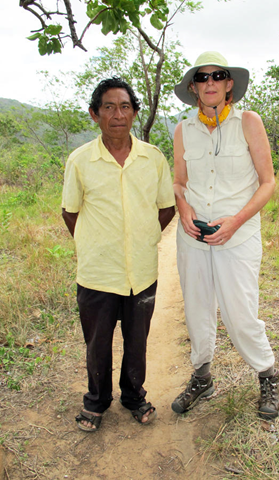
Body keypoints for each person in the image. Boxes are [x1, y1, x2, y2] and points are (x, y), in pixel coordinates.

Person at [172, 51, 279, 419]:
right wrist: (184, 210)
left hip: (238, 233)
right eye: (202, 78)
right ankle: (202, 377)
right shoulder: (183, 129)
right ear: (193, 87)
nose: (210, 83)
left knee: (240, 311)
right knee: (197, 308)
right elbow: (178, 182)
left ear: (229, 83)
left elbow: (268, 183)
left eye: (217, 76)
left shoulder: (248, 122)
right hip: (193, 235)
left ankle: (267, 374)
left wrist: (234, 221)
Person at [62, 77, 175, 431]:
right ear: (95, 114)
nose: (117, 114)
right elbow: (70, 211)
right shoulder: (80, 161)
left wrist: (143, 238)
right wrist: (94, 245)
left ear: (135, 113)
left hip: (141, 271)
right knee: (97, 343)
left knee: (137, 342)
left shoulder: (152, 159)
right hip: (97, 272)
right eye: (108, 107)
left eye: (125, 106)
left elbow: (166, 208)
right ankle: (95, 401)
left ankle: (133, 396)